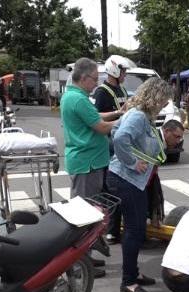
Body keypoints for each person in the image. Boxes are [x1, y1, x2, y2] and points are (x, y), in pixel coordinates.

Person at [108, 77, 172, 292]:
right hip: (127, 179)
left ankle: (133, 273)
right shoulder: (137, 116)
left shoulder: (140, 115)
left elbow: (116, 133)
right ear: (155, 97)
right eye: (164, 99)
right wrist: (133, 163)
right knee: (135, 231)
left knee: (137, 230)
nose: (165, 104)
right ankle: (128, 282)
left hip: (130, 179)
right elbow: (120, 139)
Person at [60, 58, 114, 278]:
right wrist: (126, 120)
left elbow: (94, 117)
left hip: (88, 161)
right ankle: (77, 264)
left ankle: (85, 257)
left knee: (90, 214)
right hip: (86, 162)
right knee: (84, 216)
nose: (97, 83)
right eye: (94, 79)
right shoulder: (78, 99)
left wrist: (119, 113)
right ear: (83, 78)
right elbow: (100, 127)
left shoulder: (75, 96)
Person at [94, 55, 135, 245]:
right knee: (112, 188)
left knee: (121, 186)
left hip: (121, 141)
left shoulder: (121, 89)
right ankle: (110, 231)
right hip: (109, 143)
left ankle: (117, 228)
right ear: (114, 70)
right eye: (124, 71)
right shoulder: (102, 91)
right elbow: (96, 115)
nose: (125, 74)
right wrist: (119, 114)